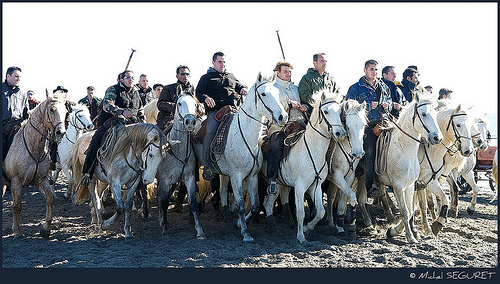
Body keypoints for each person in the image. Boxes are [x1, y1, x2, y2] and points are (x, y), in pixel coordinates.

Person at [80, 70, 145, 188]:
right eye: (128, 77)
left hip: (133, 124)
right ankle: (87, 172)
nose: (130, 80)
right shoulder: (113, 90)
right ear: (121, 80)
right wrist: (121, 111)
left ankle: (145, 173)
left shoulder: (136, 92)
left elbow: (140, 110)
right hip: (111, 122)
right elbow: (107, 105)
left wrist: (144, 123)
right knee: (95, 141)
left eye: (132, 78)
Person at [195, 51, 248, 181]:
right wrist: (206, 98)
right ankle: (206, 166)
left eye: (224, 62)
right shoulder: (206, 78)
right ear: (213, 62)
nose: (222, 64)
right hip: (216, 111)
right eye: (219, 62)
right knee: (210, 131)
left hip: (232, 110)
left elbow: (240, 85)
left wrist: (242, 89)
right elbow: (199, 93)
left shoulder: (230, 76)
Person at [346, 59, 392, 197]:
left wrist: (387, 105)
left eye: (376, 69)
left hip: (384, 122)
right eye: (371, 69)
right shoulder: (355, 88)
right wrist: (366, 106)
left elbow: (388, 99)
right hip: (367, 124)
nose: (374, 72)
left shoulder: (383, 86)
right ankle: (370, 185)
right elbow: (349, 107)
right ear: (365, 70)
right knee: (370, 150)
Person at [265, 61, 307, 193]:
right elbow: (273, 105)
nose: (288, 74)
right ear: (278, 73)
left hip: (299, 123)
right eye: (285, 71)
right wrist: (289, 103)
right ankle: (271, 179)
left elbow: (303, 102)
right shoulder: (273, 87)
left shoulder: (295, 88)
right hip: (280, 125)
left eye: (290, 72)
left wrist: (305, 106)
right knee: (277, 144)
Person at [2, 66, 28, 161]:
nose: (18, 79)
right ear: (8, 76)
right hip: (3, 129)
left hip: (18, 128)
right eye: (16, 76)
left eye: (20, 77)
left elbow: (26, 114)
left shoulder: (23, 94)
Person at [157, 65, 195, 130]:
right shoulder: (168, 88)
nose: (185, 76)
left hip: (190, 119)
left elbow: (200, 106)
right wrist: (177, 107)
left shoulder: (193, 90)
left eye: (187, 74)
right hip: (169, 119)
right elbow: (160, 104)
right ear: (177, 76)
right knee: (161, 135)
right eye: (182, 74)